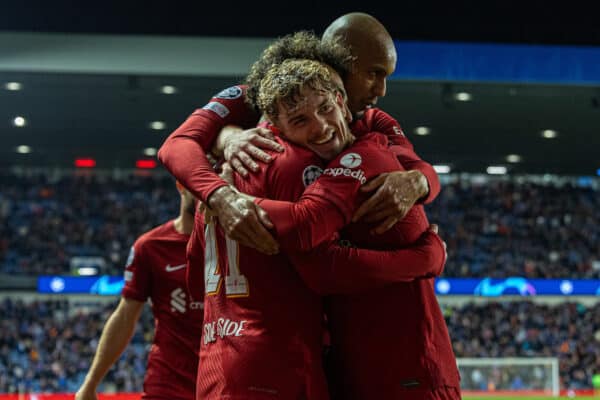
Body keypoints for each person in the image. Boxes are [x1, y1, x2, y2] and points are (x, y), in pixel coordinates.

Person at [186, 52, 448, 400]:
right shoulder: (301, 165)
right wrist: (426, 258)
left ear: (340, 100)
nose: (320, 126)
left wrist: (221, 191)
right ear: (277, 125)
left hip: (217, 370)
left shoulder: (223, 179)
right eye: (300, 119)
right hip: (286, 367)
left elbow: (194, 278)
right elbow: (319, 257)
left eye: (324, 108)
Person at [157, 12, 440, 254]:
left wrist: (418, 182)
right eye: (373, 74)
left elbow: (419, 167)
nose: (381, 90)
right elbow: (176, 145)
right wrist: (221, 195)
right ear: (340, 63)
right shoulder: (250, 98)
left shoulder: (372, 120)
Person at [75, 182, 202, 400]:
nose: (204, 189)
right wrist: (90, 383)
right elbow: (125, 317)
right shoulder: (150, 247)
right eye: (197, 180)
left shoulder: (236, 242)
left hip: (224, 380)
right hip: (168, 384)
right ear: (181, 184)